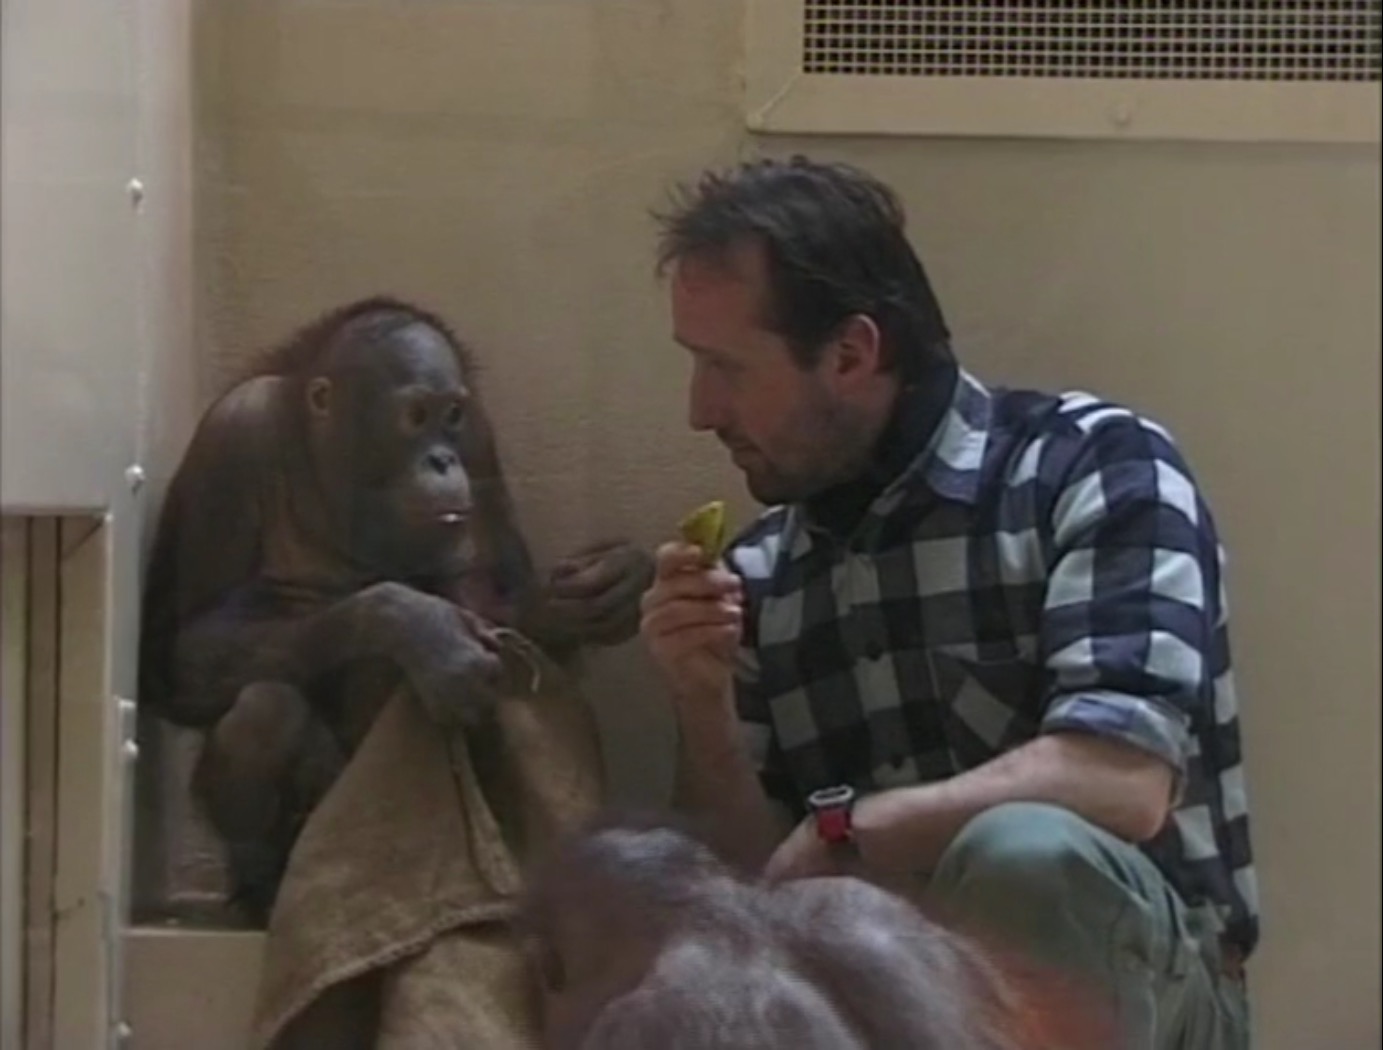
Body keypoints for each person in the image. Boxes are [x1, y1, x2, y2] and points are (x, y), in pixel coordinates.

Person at [637, 155, 1257, 1050]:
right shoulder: (761, 573)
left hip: (1143, 997)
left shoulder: (1092, 468)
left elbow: (1120, 782)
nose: (700, 411)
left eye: (725, 368)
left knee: (1023, 858)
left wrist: (847, 832)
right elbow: (747, 892)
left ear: (850, 354)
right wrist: (701, 706)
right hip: (888, 1008)